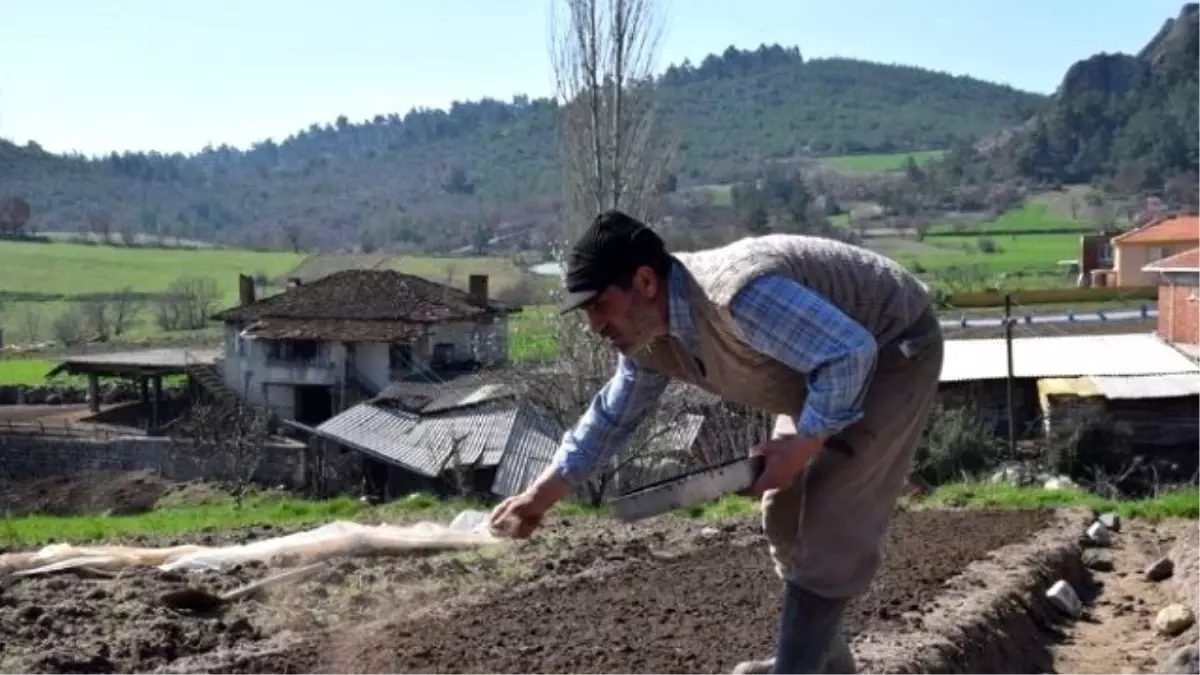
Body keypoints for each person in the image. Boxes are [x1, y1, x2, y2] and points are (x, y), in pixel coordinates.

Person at [489, 209, 944, 675]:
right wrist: (541, 495)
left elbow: (850, 354)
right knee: (784, 513)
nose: (594, 325)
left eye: (598, 305)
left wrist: (806, 443)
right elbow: (613, 416)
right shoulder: (649, 338)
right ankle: (826, 661)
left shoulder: (739, 295)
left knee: (830, 515)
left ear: (645, 282)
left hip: (892, 346)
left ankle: (796, 668)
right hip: (820, 368)